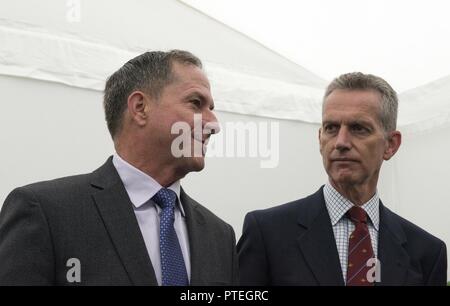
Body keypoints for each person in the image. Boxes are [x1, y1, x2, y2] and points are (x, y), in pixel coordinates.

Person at [0, 50, 238, 286]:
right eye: (196, 103)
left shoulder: (220, 237)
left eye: (212, 108)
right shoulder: (45, 212)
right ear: (140, 107)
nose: (213, 124)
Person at [237, 72, 447, 286]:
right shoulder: (268, 233)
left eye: (358, 129)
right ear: (320, 139)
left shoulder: (426, 252)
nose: (341, 142)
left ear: (391, 144)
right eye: (331, 128)